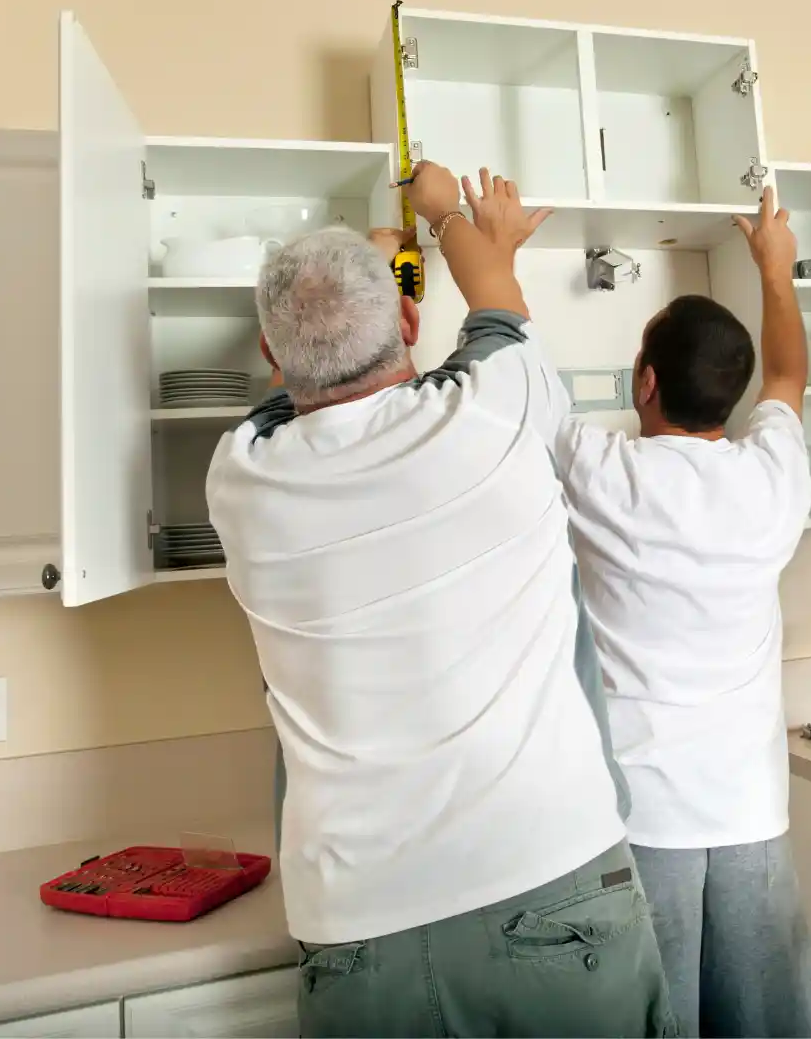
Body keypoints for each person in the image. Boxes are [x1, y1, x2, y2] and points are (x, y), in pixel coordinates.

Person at [206, 162, 676, 1039]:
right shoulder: (497, 416)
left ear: (272, 356)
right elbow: (494, 298)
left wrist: (377, 261)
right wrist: (445, 211)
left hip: (357, 929)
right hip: (550, 878)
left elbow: (292, 406)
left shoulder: (240, 482)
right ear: (411, 322)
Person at [555, 186, 811, 1038]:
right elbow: (788, 373)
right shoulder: (772, 475)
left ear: (644, 381)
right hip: (753, 811)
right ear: (733, 394)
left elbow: (518, 383)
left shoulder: (604, 475)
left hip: (642, 820)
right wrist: (774, 271)